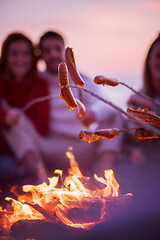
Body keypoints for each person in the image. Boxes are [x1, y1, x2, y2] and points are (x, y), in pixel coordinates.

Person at [38, 30, 123, 177]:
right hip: (48, 149)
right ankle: (40, 178)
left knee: (115, 117)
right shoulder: (37, 81)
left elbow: (107, 104)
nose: (53, 54)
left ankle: (105, 179)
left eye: (57, 49)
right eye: (47, 51)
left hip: (80, 146)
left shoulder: (80, 80)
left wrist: (94, 112)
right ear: (41, 55)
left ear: (65, 51)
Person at [0, 32, 55, 185]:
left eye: (25, 54)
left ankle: (39, 175)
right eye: (14, 54)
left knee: (16, 117)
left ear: (32, 58)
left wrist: (19, 121)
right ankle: (40, 177)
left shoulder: (39, 84)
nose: (20, 59)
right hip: (4, 151)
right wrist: (5, 117)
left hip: (33, 150)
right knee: (6, 168)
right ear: (5, 57)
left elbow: (43, 127)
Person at [124, 33, 160, 166]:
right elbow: (130, 137)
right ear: (149, 60)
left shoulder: (140, 100)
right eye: (159, 56)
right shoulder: (139, 95)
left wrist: (151, 105)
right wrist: (133, 151)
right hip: (147, 168)